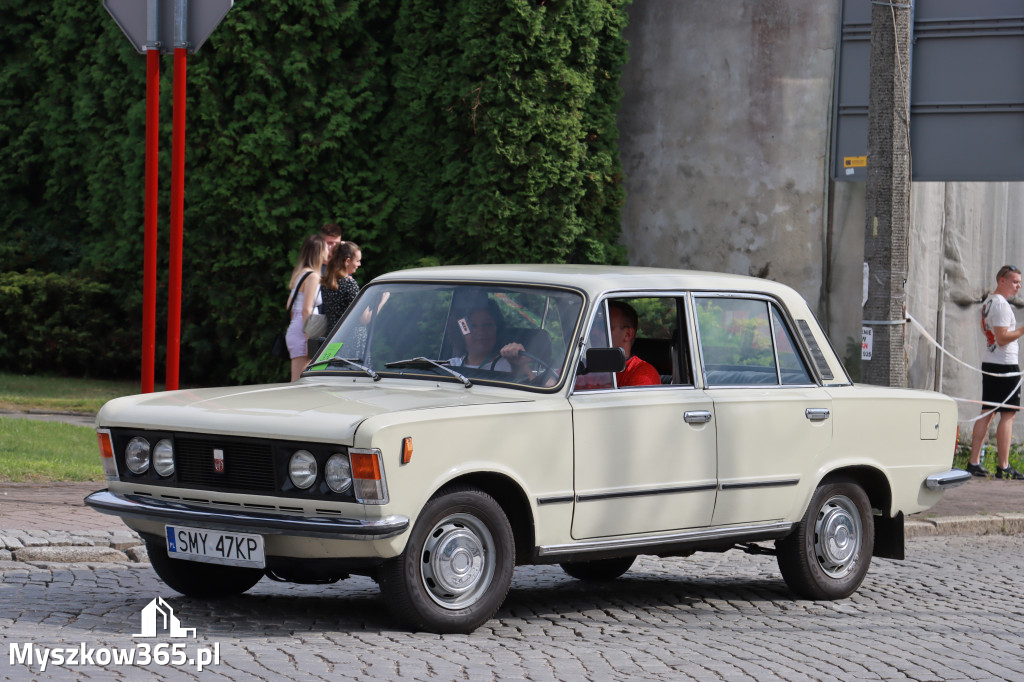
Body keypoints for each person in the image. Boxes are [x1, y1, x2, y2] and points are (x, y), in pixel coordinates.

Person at [967, 265, 1024, 479]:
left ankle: (974, 462)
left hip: (992, 362)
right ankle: (1004, 466)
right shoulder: (999, 305)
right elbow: (1002, 338)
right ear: (1002, 280)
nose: (1019, 286)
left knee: (988, 411)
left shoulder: (989, 302)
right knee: (1007, 414)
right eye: (1015, 281)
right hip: (1004, 365)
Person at [285, 234, 328, 381]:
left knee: (301, 382)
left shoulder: (300, 273)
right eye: (326, 248)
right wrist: (311, 339)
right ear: (319, 252)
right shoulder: (313, 276)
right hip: (305, 331)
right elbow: (306, 309)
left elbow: (289, 306)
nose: (328, 251)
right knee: (300, 383)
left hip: (297, 328)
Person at [608, 300, 661, 387]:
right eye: (593, 326)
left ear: (628, 334)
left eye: (604, 327)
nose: (594, 332)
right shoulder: (584, 367)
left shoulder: (642, 372)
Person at [320, 241, 363, 330]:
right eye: (358, 261)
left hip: (332, 336)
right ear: (348, 261)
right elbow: (363, 319)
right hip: (349, 336)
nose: (359, 264)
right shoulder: (349, 284)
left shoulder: (326, 282)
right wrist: (381, 302)